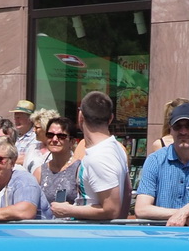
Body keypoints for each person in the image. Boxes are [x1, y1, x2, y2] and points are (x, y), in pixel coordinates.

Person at [135, 102, 189, 225]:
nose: (183, 131)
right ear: (170, 129)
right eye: (178, 126)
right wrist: (185, 214)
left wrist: (183, 213)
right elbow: (141, 209)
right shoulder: (154, 160)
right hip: (164, 235)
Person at [49, 91, 130, 221]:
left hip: (94, 234)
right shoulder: (116, 148)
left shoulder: (99, 156)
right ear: (111, 118)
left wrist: (68, 210)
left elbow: (111, 210)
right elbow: (127, 193)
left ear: (80, 116)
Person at [32, 115, 79, 211]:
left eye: (61, 136)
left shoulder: (79, 169)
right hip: (44, 224)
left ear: (72, 141)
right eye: (50, 135)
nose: (54, 139)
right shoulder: (39, 172)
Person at [11, 100, 40, 167]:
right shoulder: (15, 136)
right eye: (15, 117)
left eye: (19, 118)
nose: (16, 120)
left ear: (30, 119)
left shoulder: (35, 137)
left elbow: (30, 158)